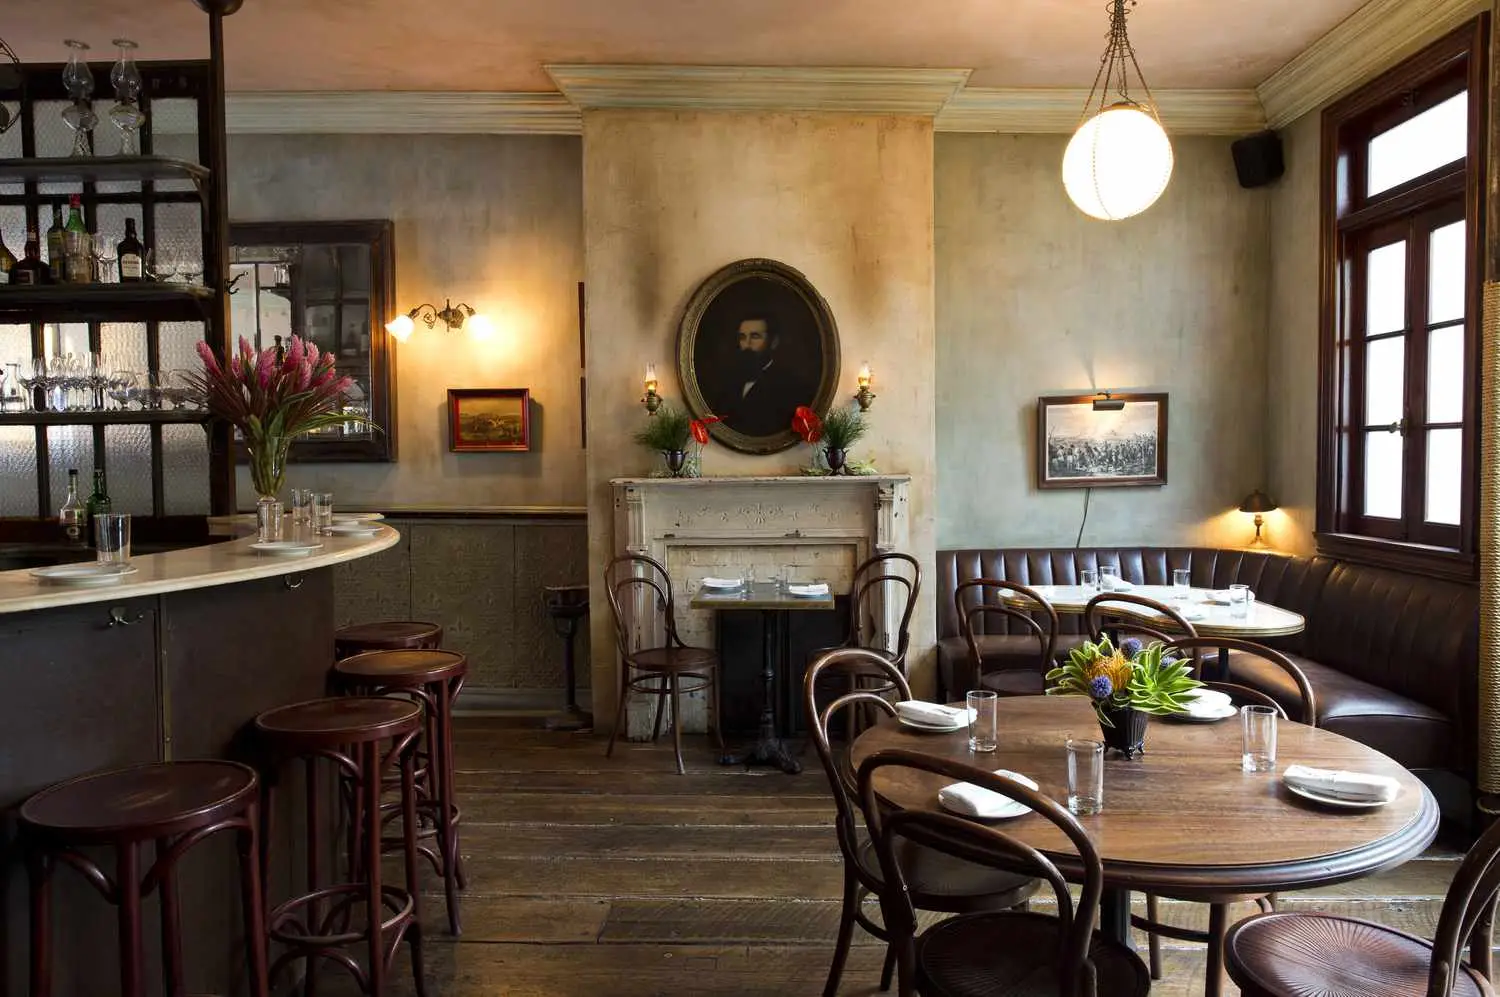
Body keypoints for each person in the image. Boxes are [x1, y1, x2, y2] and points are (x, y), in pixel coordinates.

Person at [708, 315, 814, 437]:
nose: (747, 344)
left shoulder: (791, 385)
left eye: (755, 336)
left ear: (773, 342)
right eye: (742, 337)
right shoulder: (729, 381)